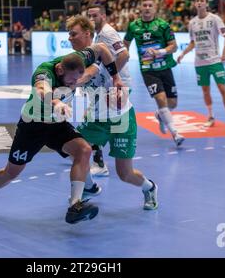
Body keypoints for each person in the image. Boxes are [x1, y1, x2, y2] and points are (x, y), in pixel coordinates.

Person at [0, 42, 123, 224]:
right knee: (11, 172)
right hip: (32, 126)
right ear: (59, 71)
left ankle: (75, 206)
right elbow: (42, 90)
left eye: (76, 81)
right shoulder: (44, 73)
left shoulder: (79, 60)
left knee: (84, 150)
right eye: (71, 81)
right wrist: (57, 103)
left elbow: (101, 48)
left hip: (57, 124)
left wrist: (116, 77)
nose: (74, 84)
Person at [67, 15, 158, 210]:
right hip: (96, 118)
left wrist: (76, 81)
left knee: (125, 174)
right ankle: (89, 186)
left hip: (121, 118)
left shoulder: (100, 50)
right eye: (68, 34)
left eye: (73, 34)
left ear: (87, 34)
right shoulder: (76, 57)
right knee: (76, 151)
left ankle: (149, 188)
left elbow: (91, 72)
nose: (70, 38)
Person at [124, 0, 185, 146]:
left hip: (165, 67)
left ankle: (160, 114)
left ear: (155, 8)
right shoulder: (133, 26)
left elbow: (174, 46)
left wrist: (161, 51)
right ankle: (175, 133)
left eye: (150, 5)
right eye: (144, 5)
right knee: (161, 99)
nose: (147, 8)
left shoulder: (163, 25)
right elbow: (125, 43)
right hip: (148, 70)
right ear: (141, 8)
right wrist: (124, 57)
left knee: (173, 103)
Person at [177, 0, 225, 131]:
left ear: (206, 4)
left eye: (201, 1)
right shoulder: (192, 23)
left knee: (222, 88)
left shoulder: (215, 19)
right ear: (195, 4)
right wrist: (182, 54)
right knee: (205, 91)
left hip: (215, 60)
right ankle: (210, 117)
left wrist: (224, 52)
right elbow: (193, 43)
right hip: (199, 62)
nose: (199, 3)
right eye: (197, 1)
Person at [86, 4, 131, 177]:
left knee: (99, 119)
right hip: (108, 86)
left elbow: (124, 55)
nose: (91, 19)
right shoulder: (99, 34)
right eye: (89, 16)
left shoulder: (107, 33)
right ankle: (95, 157)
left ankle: (99, 162)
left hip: (118, 85)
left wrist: (114, 79)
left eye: (94, 16)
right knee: (96, 117)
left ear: (103, 16)